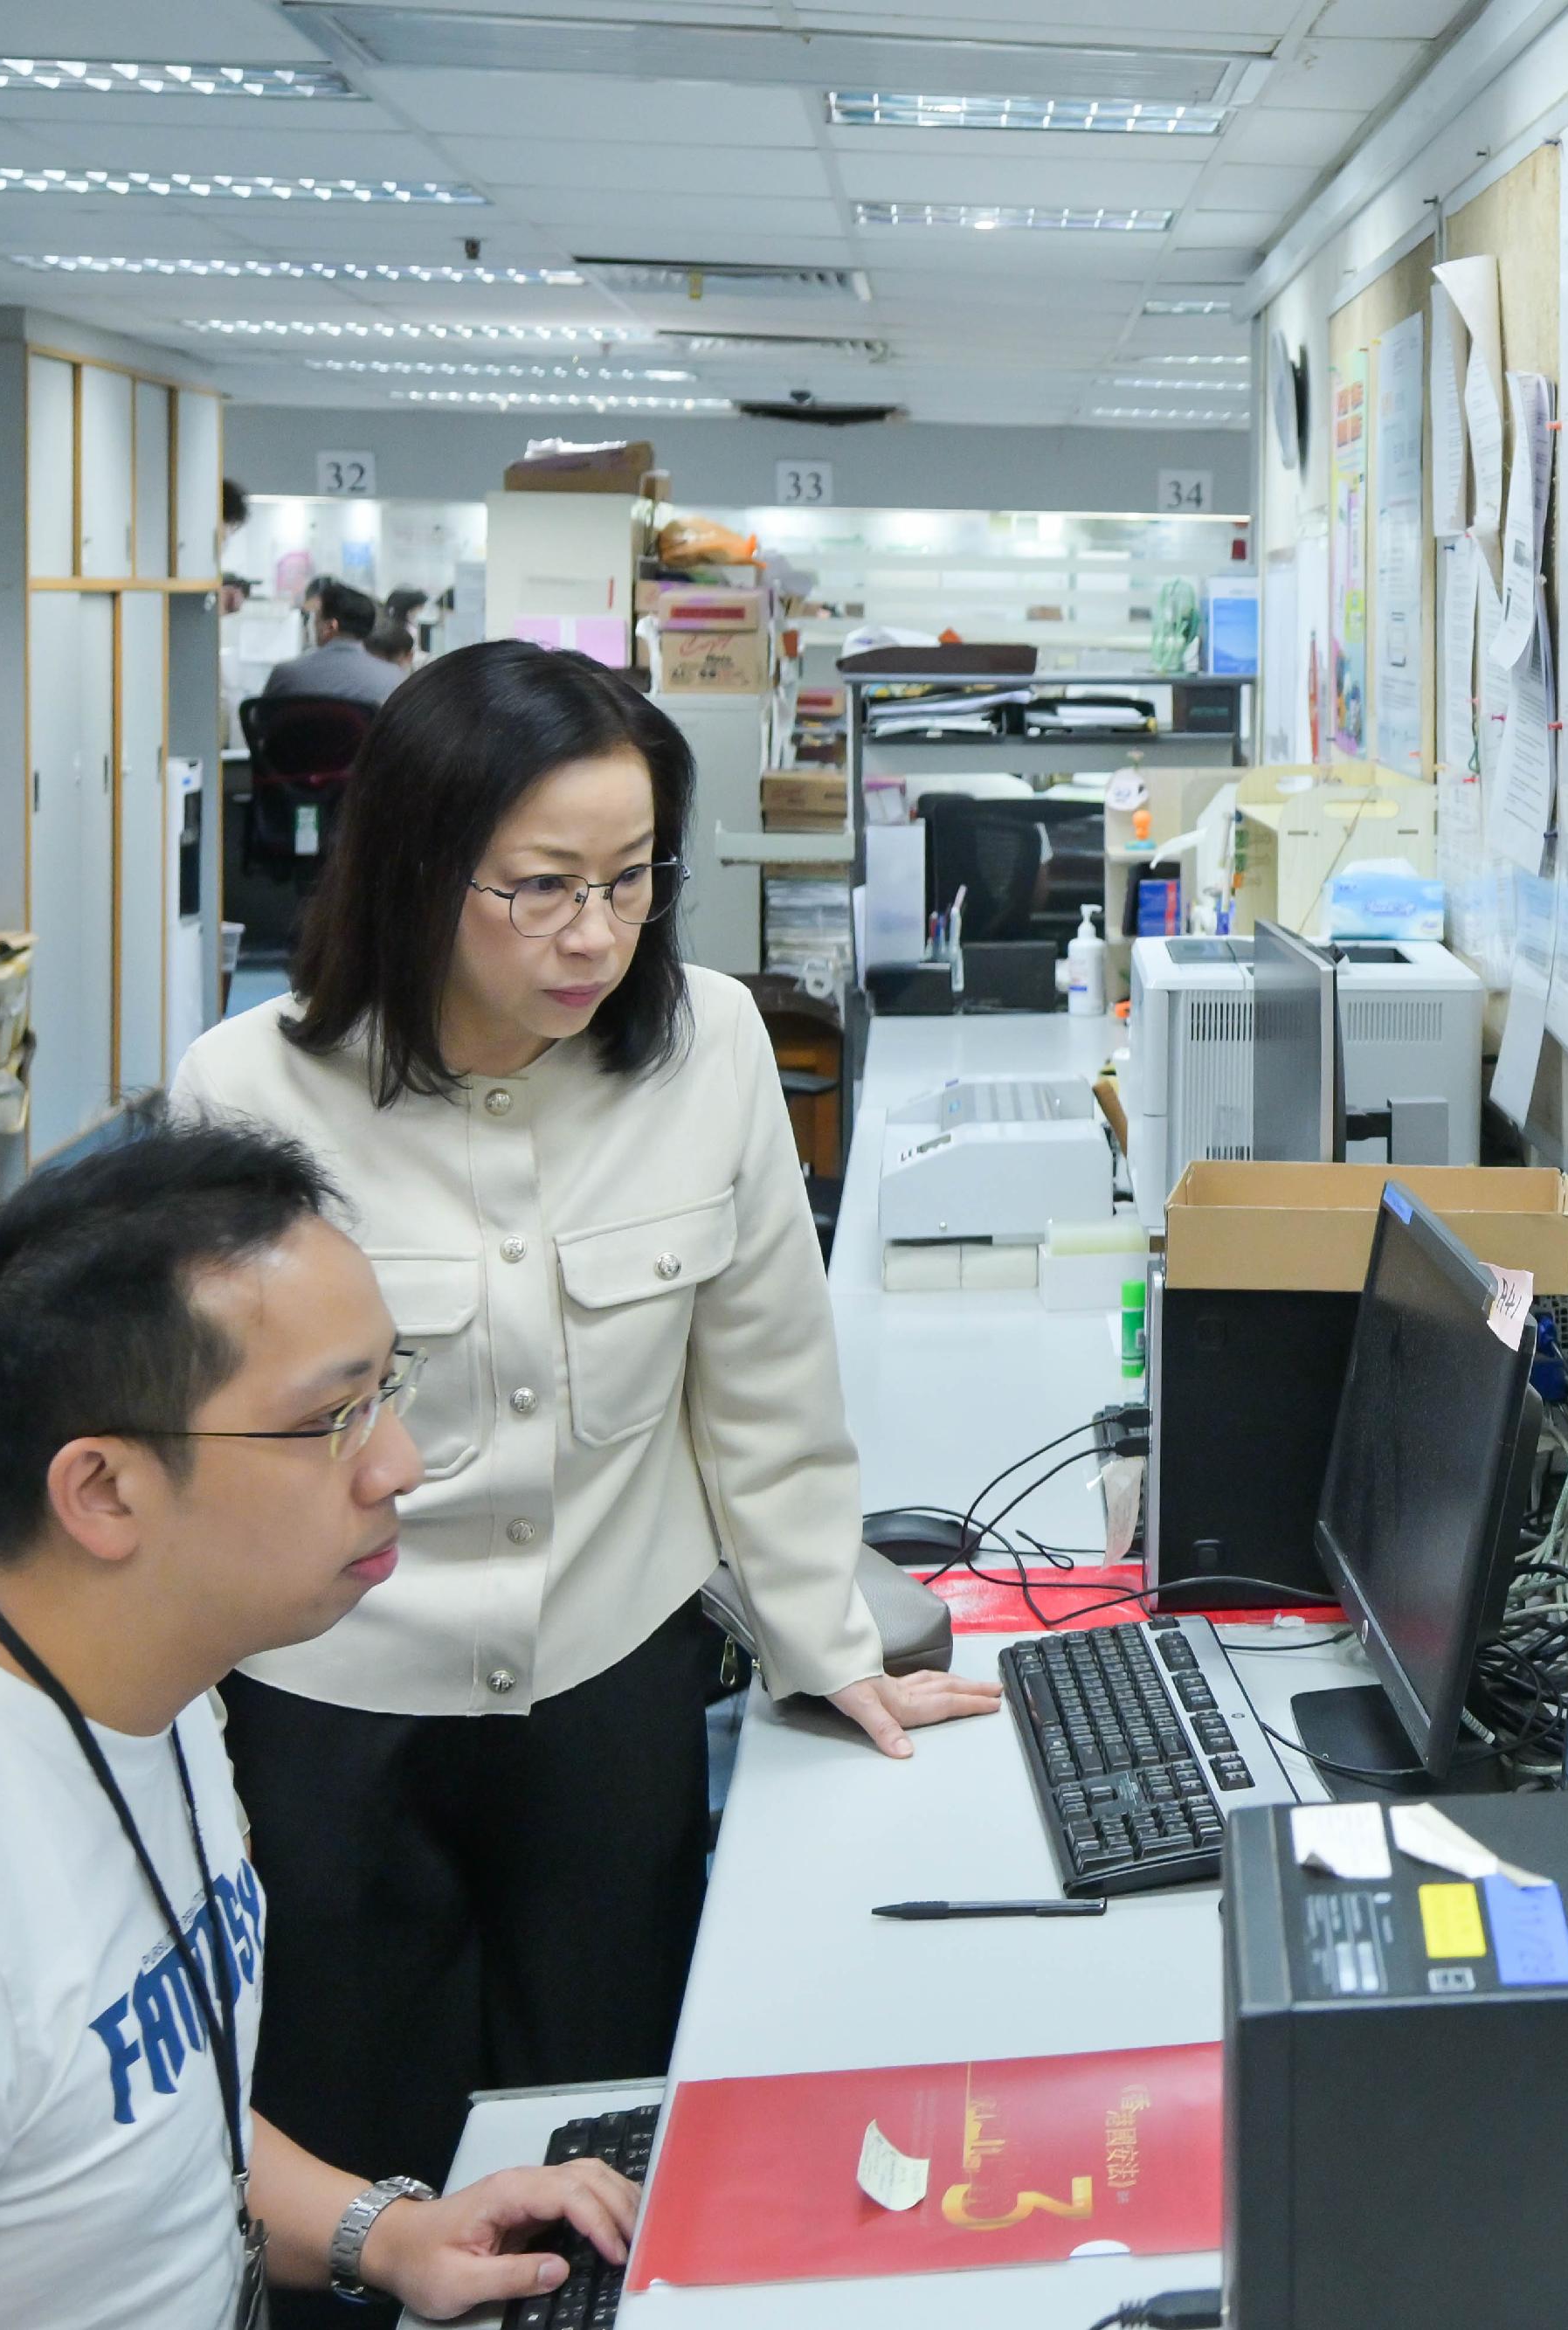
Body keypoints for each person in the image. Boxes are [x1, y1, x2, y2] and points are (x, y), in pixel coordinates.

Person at [168, 640, 998, 2317]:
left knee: (604, 2163)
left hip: (609, 1684)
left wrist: (824, 1634)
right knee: (370, 2165)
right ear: (413, 870)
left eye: (631, 883)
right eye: (541, 888)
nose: (594, 937)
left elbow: (763, 1381)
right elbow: (204, 1486)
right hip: (333, 1713)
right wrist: (193, 1757)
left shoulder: (710, 1049)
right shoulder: (247, 1090)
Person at [0, 1121, 641, 2328]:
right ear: (102, 1490)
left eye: (387, 1389)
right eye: (331, 1420)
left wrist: (389, 2231)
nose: (399, 1462)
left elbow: (130, 2116)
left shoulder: (151, 1687)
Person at [261, 579, 401, 709]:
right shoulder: (394, 678)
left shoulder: (286, 674)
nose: (312, 624)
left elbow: (259, 724)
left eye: (316, 618)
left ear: (330, 627)